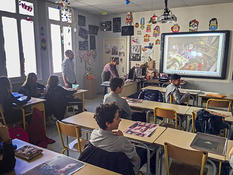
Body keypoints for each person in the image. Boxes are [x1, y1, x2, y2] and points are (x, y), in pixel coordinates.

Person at [90, 103, 155, 175]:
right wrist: (123, 138)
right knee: (148, 150)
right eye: (117, 118)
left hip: (101, 167)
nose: (120, 120)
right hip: (123, 170)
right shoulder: (121, 141)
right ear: (108, 123)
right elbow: (136, 159)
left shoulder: (93, 134)